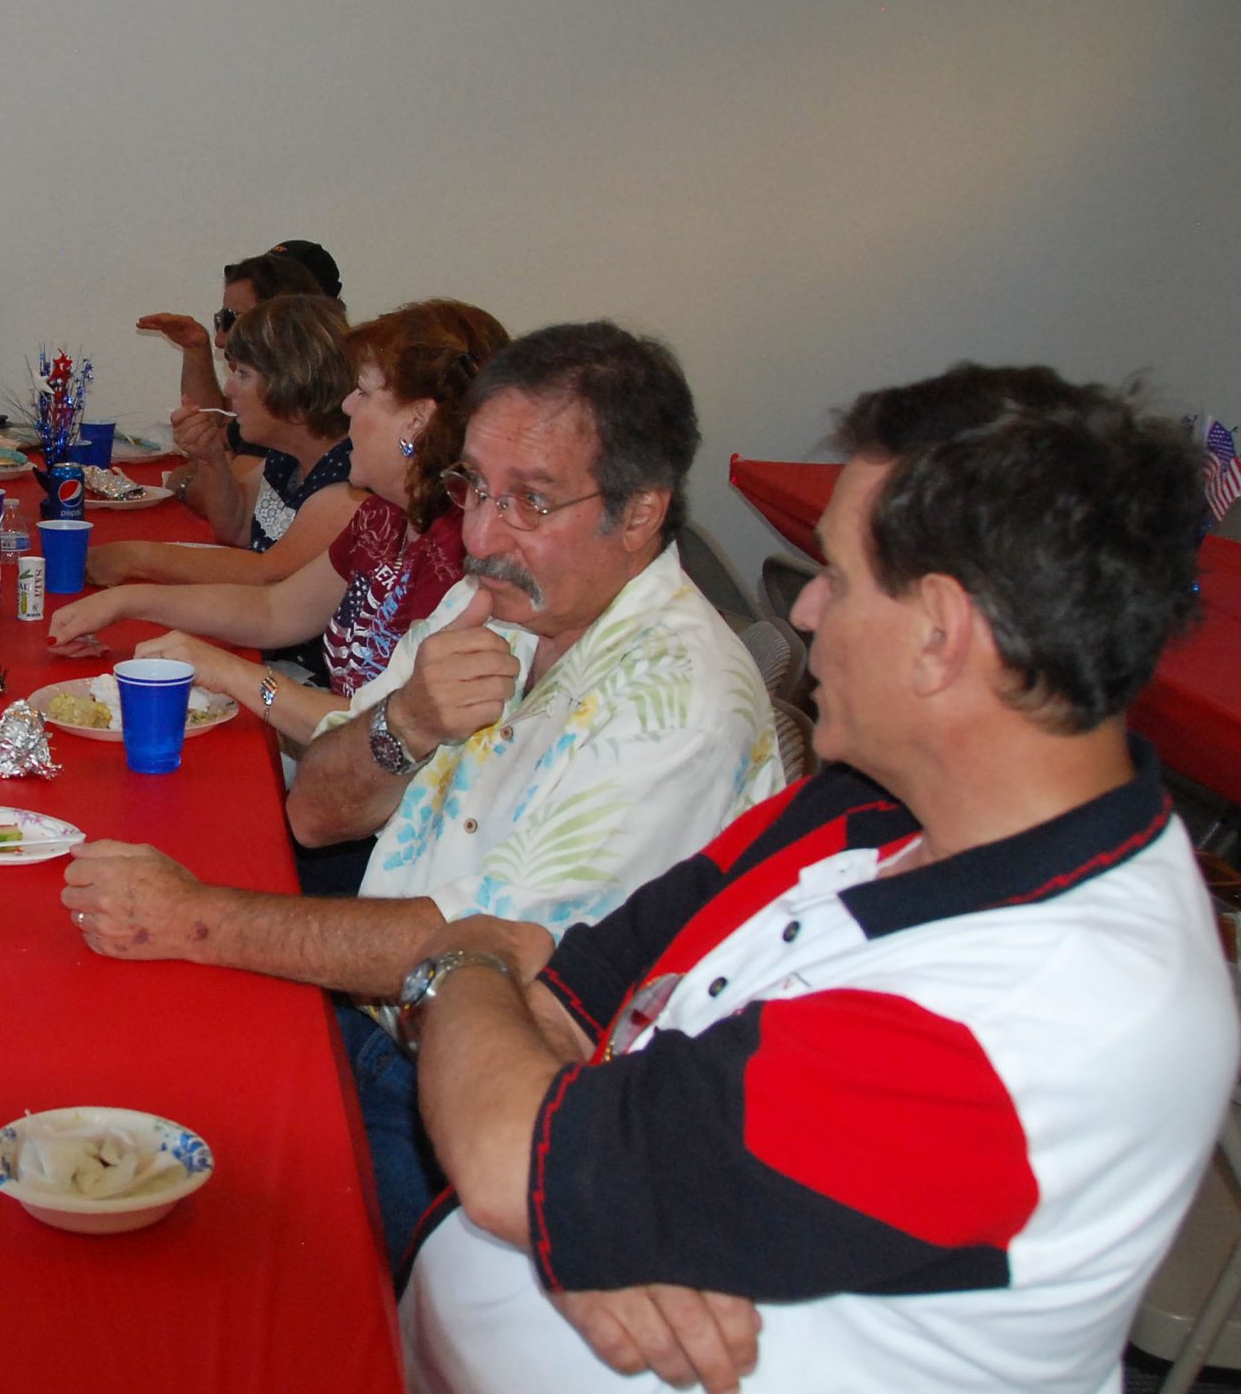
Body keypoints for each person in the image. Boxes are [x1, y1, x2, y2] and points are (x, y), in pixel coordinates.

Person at [389, 364, 1237, 1394]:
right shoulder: (870, 803)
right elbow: (573, 993)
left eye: (833, 578)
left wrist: (460, 976)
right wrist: (578, 1194)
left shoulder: (1038, 1013)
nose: (800, 614)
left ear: (939, 636)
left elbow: (502, 1140)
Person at [61, 322, 782, 1240]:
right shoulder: (509, 601)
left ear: (640, 512)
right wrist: (407, 722)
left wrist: (195, 917)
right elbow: (317, 814)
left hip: (496, 1137)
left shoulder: (673, 704)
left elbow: (472, 955)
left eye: (530, 501)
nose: (482, 532)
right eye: (475, 487)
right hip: (379, 1029)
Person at [49, 299, 504, 748]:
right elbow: (275, 610)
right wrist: (127, 601)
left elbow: (389, 728)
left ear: (417, 420)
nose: (347, 406)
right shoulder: (383, 517)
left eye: (363, 393)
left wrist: (231, 672)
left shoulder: (459, 554)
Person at [81, 295, 363, 680]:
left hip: (304, 676)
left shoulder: (347, 486)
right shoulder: (288, 453)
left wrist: (136, 556)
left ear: (293, 385)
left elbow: (266, 575)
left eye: (243, 374)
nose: (228, 388)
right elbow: (235, 529)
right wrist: (212, 458)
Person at [135, 247, 330, 412]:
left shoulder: (316, 404)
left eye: (233, 320)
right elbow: (216, 425)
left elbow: (218, 432)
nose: (219, 341)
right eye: (221, 319)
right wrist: (195, 349)